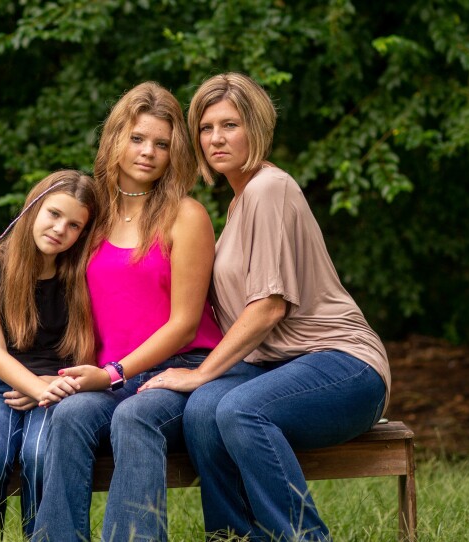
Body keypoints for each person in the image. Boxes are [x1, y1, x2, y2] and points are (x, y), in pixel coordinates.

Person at [139, 72, 391, 541]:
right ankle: (232, 537)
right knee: (201, 412)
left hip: (343, 366)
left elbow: (269, 307)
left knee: (238, 410)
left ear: (256, 129)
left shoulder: (268, 189)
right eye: (206, 127)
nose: (216, 138)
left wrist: (199, 373)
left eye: (230, 125)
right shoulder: (238, 204)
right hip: (277, 369)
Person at [31, 82, 223, 541]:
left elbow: (184, 324)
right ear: (115, 137)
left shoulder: (186, 215)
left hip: (178, 375)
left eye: (161, 143)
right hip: (110, 377)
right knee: (70, 415)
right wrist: (32, 374)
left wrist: (113, 372)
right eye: (137, 138)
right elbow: (33, 278)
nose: (148, 152)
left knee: (134, 416)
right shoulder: (89, 212)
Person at [0, 170, 104, 541]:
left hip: (61, 384)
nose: (60, 229)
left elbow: (87, 346)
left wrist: (49, 386)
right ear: (33, 207)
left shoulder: (81, 273)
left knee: (39, 458)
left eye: (74, 225)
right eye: (54, 214)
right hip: (0, 383)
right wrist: (36, 387)